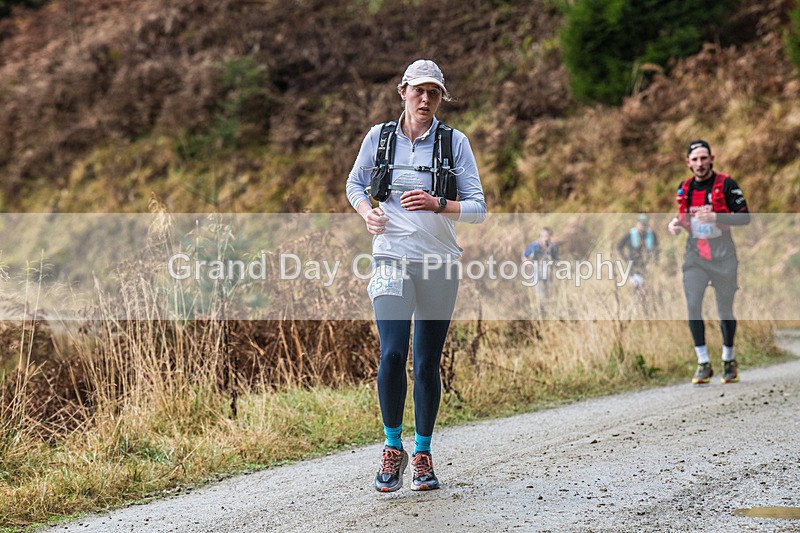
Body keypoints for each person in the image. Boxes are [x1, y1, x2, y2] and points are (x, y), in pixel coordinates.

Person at [345, 59, 486, 492]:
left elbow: (478, 208)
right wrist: (368, 213)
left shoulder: (454, 142)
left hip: (439, 262)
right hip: (390, 257)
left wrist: (438, 204)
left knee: (425, 364)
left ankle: (422, 453)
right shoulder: (379, 137)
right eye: (419, 91)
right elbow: (354, 184)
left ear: (441, 98)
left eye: (434, 93)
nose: (426, 99)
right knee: (391, 353)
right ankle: (392, 448)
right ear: (403, 91)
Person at [668, 140, 750, 385]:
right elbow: (685, 218)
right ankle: (703, 362)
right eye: (695, 160)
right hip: (696, 257)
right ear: (688, 163)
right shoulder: (685, 188)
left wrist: (716, 216)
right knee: (693, 304)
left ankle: (728, 358)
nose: (700, 164)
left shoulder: (726, 184)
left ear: (711, 159)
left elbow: (745, 217)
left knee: (724, 309)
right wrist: (675, 225)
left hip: (723, 255)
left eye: (704, 158)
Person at [616, 214, 659, 289]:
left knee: (646, 288)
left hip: (647, 266)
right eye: (641, 224)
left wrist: (655, 260)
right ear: (637, 223)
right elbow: (619, 247)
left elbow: (657, 249)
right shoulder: (630, 234)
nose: (643, 226)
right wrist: (626, 258)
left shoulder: (651, 235)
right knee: (638, 287)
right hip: (633, 267)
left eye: (644, 224)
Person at [521, 227, 558, 309]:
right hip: (536, 272)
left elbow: (556, 260)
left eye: (546, 235)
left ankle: (549, 310)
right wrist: (528, 264)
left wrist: (555, 266)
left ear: (550, 236)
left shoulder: (553, 247)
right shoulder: (534, 246)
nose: (544, 237)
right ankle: (540, 310)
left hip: (548, 272)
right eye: (542, 236)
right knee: (539, 294)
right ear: (540, 236)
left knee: (549, 293)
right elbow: (524, 257)